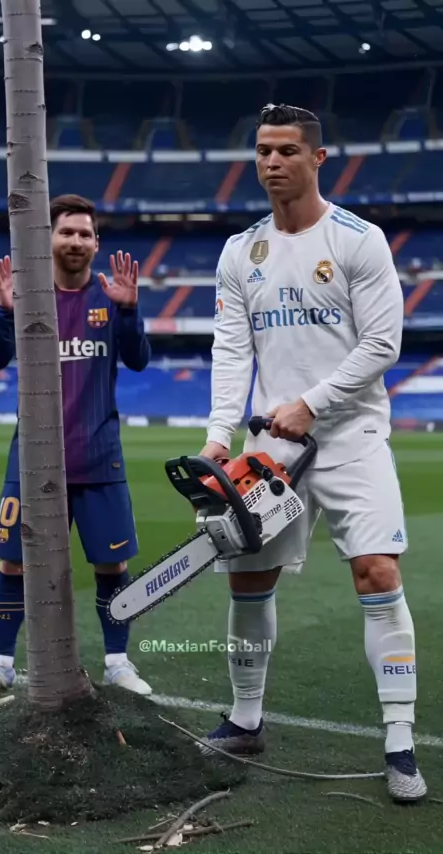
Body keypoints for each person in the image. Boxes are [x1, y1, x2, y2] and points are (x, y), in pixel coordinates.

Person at [198, 105, 426, 802]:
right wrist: (218, 436)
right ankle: (245, 720)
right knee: (247, 580)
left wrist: (312, 404)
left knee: (378, 571)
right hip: (271, 443)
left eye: (287, 151)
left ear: (317, 158)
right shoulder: (240, 251)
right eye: (263, 150)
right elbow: (232, 350)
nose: (272, 162)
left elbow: (383, 344)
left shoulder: (359, 239)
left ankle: (399, 739)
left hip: (351, 436)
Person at [0, 194, 152, 699]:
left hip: (99, 457)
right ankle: (1, 664)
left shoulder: (109, 298)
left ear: (96, 243)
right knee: (13, 563)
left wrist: (129, 310)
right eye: (66, 231)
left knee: (111, 566)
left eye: (84, 233)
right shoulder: (28, 296)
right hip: (32, 458)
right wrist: (5, 312)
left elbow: (139, 359)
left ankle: (117, 663)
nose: (75, 240)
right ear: (48, 238)